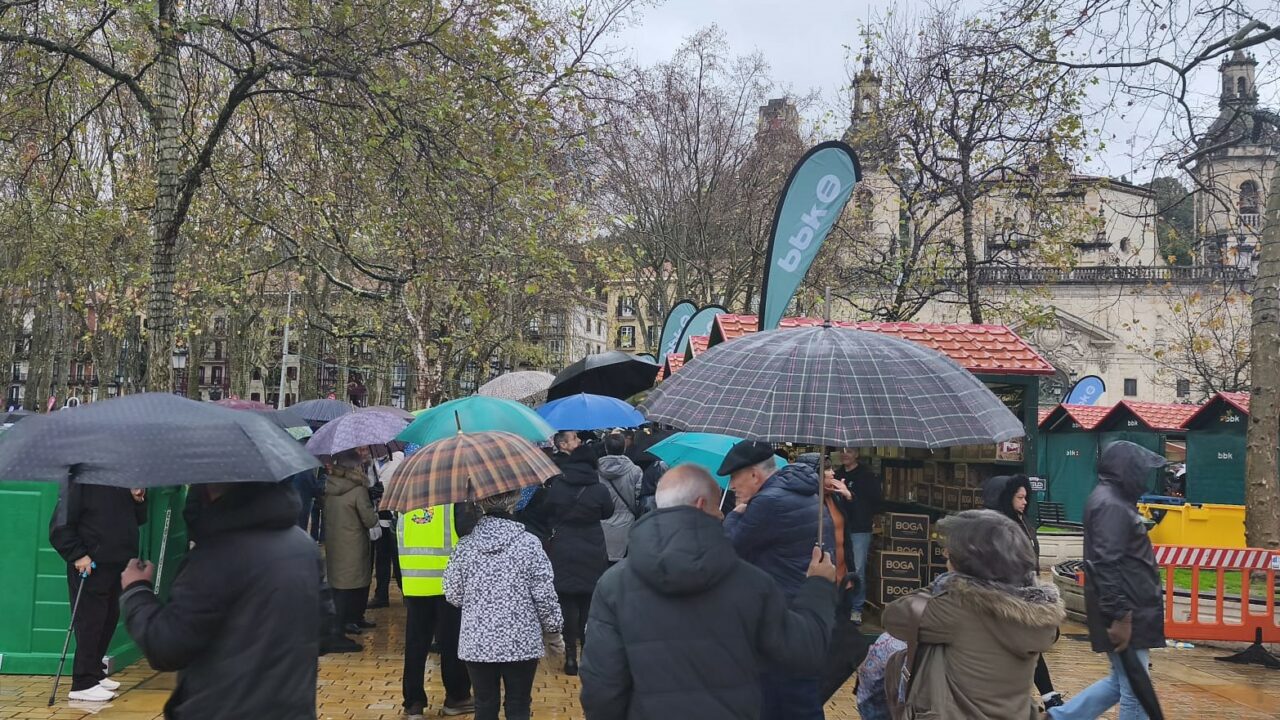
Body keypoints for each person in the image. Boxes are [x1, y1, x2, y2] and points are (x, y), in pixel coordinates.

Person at [579, 464, 839, 720]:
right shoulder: (753, 584)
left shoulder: (613, 584)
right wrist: (818, 586)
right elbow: (803, 653)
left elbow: (601, 687)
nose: (723, 516)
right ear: (701, 505)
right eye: (718, 509)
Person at [120, 480, 320, 718]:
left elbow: (166, 646)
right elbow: (324, 630)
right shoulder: (304, 546)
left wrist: (136, 590)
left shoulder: (214, 557)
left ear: (210, 490)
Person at [883, 509, 1065, 720]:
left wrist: (947, 582)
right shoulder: (1035, 614)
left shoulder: (958, 608)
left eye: (952, 554)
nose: (946, 557)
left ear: (970, 564)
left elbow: (894, 617)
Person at [1048, 441, 1167, 720]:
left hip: (1127, 608)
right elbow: (1105, 563)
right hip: (1128, 609)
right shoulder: (1111, 504)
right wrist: (1122, 616)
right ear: (1128, 470)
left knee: (1121, 681)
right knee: (1134, 688)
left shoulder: (1111, 500)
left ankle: (1061, 717)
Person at [720, 440, 835, 720]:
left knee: (781, 700)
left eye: (735, 478)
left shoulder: (768, 502)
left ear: (754, 475)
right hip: (806, 611)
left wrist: (734, 515)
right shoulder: (805, 491)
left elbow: (727, 549)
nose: (733, 486)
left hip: (779, 617)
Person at [443, 490, 565, 720]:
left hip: (477, 641)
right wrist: (553, 631)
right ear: (515, 501)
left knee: (484, 705)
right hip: (521, 640)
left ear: (480, 504)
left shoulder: (465, 547)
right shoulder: (529, 544)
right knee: (519, 705)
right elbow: (545, 596)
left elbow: (453, 595)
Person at [49, 484, 148, 702]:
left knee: (108, 617)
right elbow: (60, 525)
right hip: (90, 562)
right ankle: (83, 682)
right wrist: (78, 555)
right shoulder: (79, 479)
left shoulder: (121, 480)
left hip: (117, 560)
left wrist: (137, 499)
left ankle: (95, 672)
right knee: (90, 621)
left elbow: (138, 520)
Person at [984, 474, 1062, 709]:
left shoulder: (1023, 522)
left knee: (1029, 647)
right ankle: (1042, 696)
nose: (1024, 501)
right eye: (1019, 497)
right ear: (1006, 498)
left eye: (1026, 497)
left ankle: (1045, 696)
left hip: (1026, 595)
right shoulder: (995, 526)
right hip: (1006, 597)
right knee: (1025, 648)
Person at [543, 437, 614, 675]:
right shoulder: (599, 489)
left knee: (566, 603)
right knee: (588, 603)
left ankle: (570, 657)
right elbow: (608, 512)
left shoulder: (558, 486)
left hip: (563, 545)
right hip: (592, 547)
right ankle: (587, 655)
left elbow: (548, 511)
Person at [399, 504, 475, 718]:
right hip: (447, 583)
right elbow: (468, 535)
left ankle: (413, 703)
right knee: (451, 642)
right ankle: (457, 697)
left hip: (414, 581)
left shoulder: (405, 502)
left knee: (415, 644)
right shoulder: (452, 501)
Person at [324, 448, 379, 635]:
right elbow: (369, 520)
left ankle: (345, 621)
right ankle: (351, 620)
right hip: (354, 544)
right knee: (355, 584)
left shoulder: (329, 487)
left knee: (340, 585)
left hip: (335, 542)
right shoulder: (357, 490)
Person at [831, 448, 881, 625]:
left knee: (857, 569)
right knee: (838, 566)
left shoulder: (867, 476)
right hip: (839, 527)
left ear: (858, 454)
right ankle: (841, 606)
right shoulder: (835, 475)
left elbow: (875, 502)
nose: (844, 454)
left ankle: (856, 608)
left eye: (849, 451)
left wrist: (851, 497)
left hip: (859, 528)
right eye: (842, 451)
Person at [597, 431, 641, 563]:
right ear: (624, 447)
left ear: (606, 448)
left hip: (603, 523)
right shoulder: (635, 471)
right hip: (628, 522)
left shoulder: (596, 471)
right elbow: (638, 496)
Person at [370, 451, 404, 608]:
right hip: (378, 515)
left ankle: (406, 593)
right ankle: (381, 595)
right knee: (381, 559)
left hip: (394, 515)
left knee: (398, 560)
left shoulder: (399, 459)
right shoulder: (371, 463)